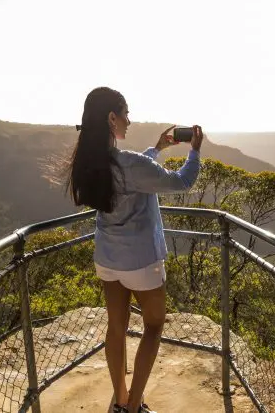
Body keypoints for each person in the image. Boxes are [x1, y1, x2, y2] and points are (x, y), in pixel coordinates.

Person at [66, 87, 203, 413]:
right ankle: (133, 408)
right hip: (140, 261)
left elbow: (134, 171)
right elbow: (181, 182)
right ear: (112, 118)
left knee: (116, 328)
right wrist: (195, 150)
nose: (129, 120)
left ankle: (120, 400)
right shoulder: (127, 163)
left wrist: (156, 148)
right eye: (125, 113)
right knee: (154, 325)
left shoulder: (89, 162)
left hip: (107, 259)